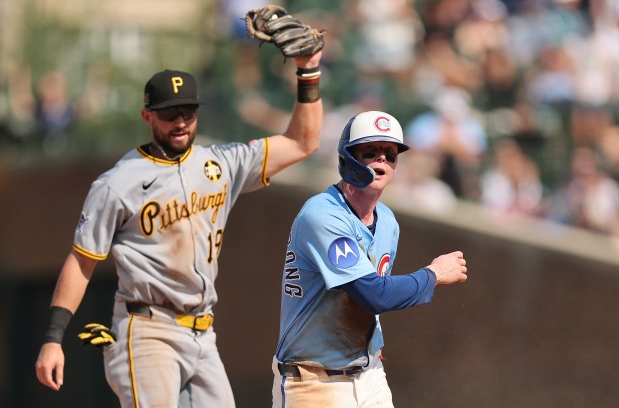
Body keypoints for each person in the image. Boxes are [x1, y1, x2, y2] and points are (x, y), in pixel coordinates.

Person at [35, 46, 323, 408]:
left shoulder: (221, 162)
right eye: (170, 113)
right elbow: (82, 262)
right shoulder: (117, 183)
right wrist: (52, 337)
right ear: (148, 116)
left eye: (188, 111)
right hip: (147, 331)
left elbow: (302, 141)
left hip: (204, 333)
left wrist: (308, 71)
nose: (181, 121)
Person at [272, 110, 468, 407]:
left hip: (370, 375)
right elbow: (373, 294)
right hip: (315, 381)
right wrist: (434, 273)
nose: (382, 160)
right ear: (347, 158)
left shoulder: (388, 221)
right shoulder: (323, 215)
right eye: (370, 152)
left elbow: (371, 300)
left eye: (390, 153)